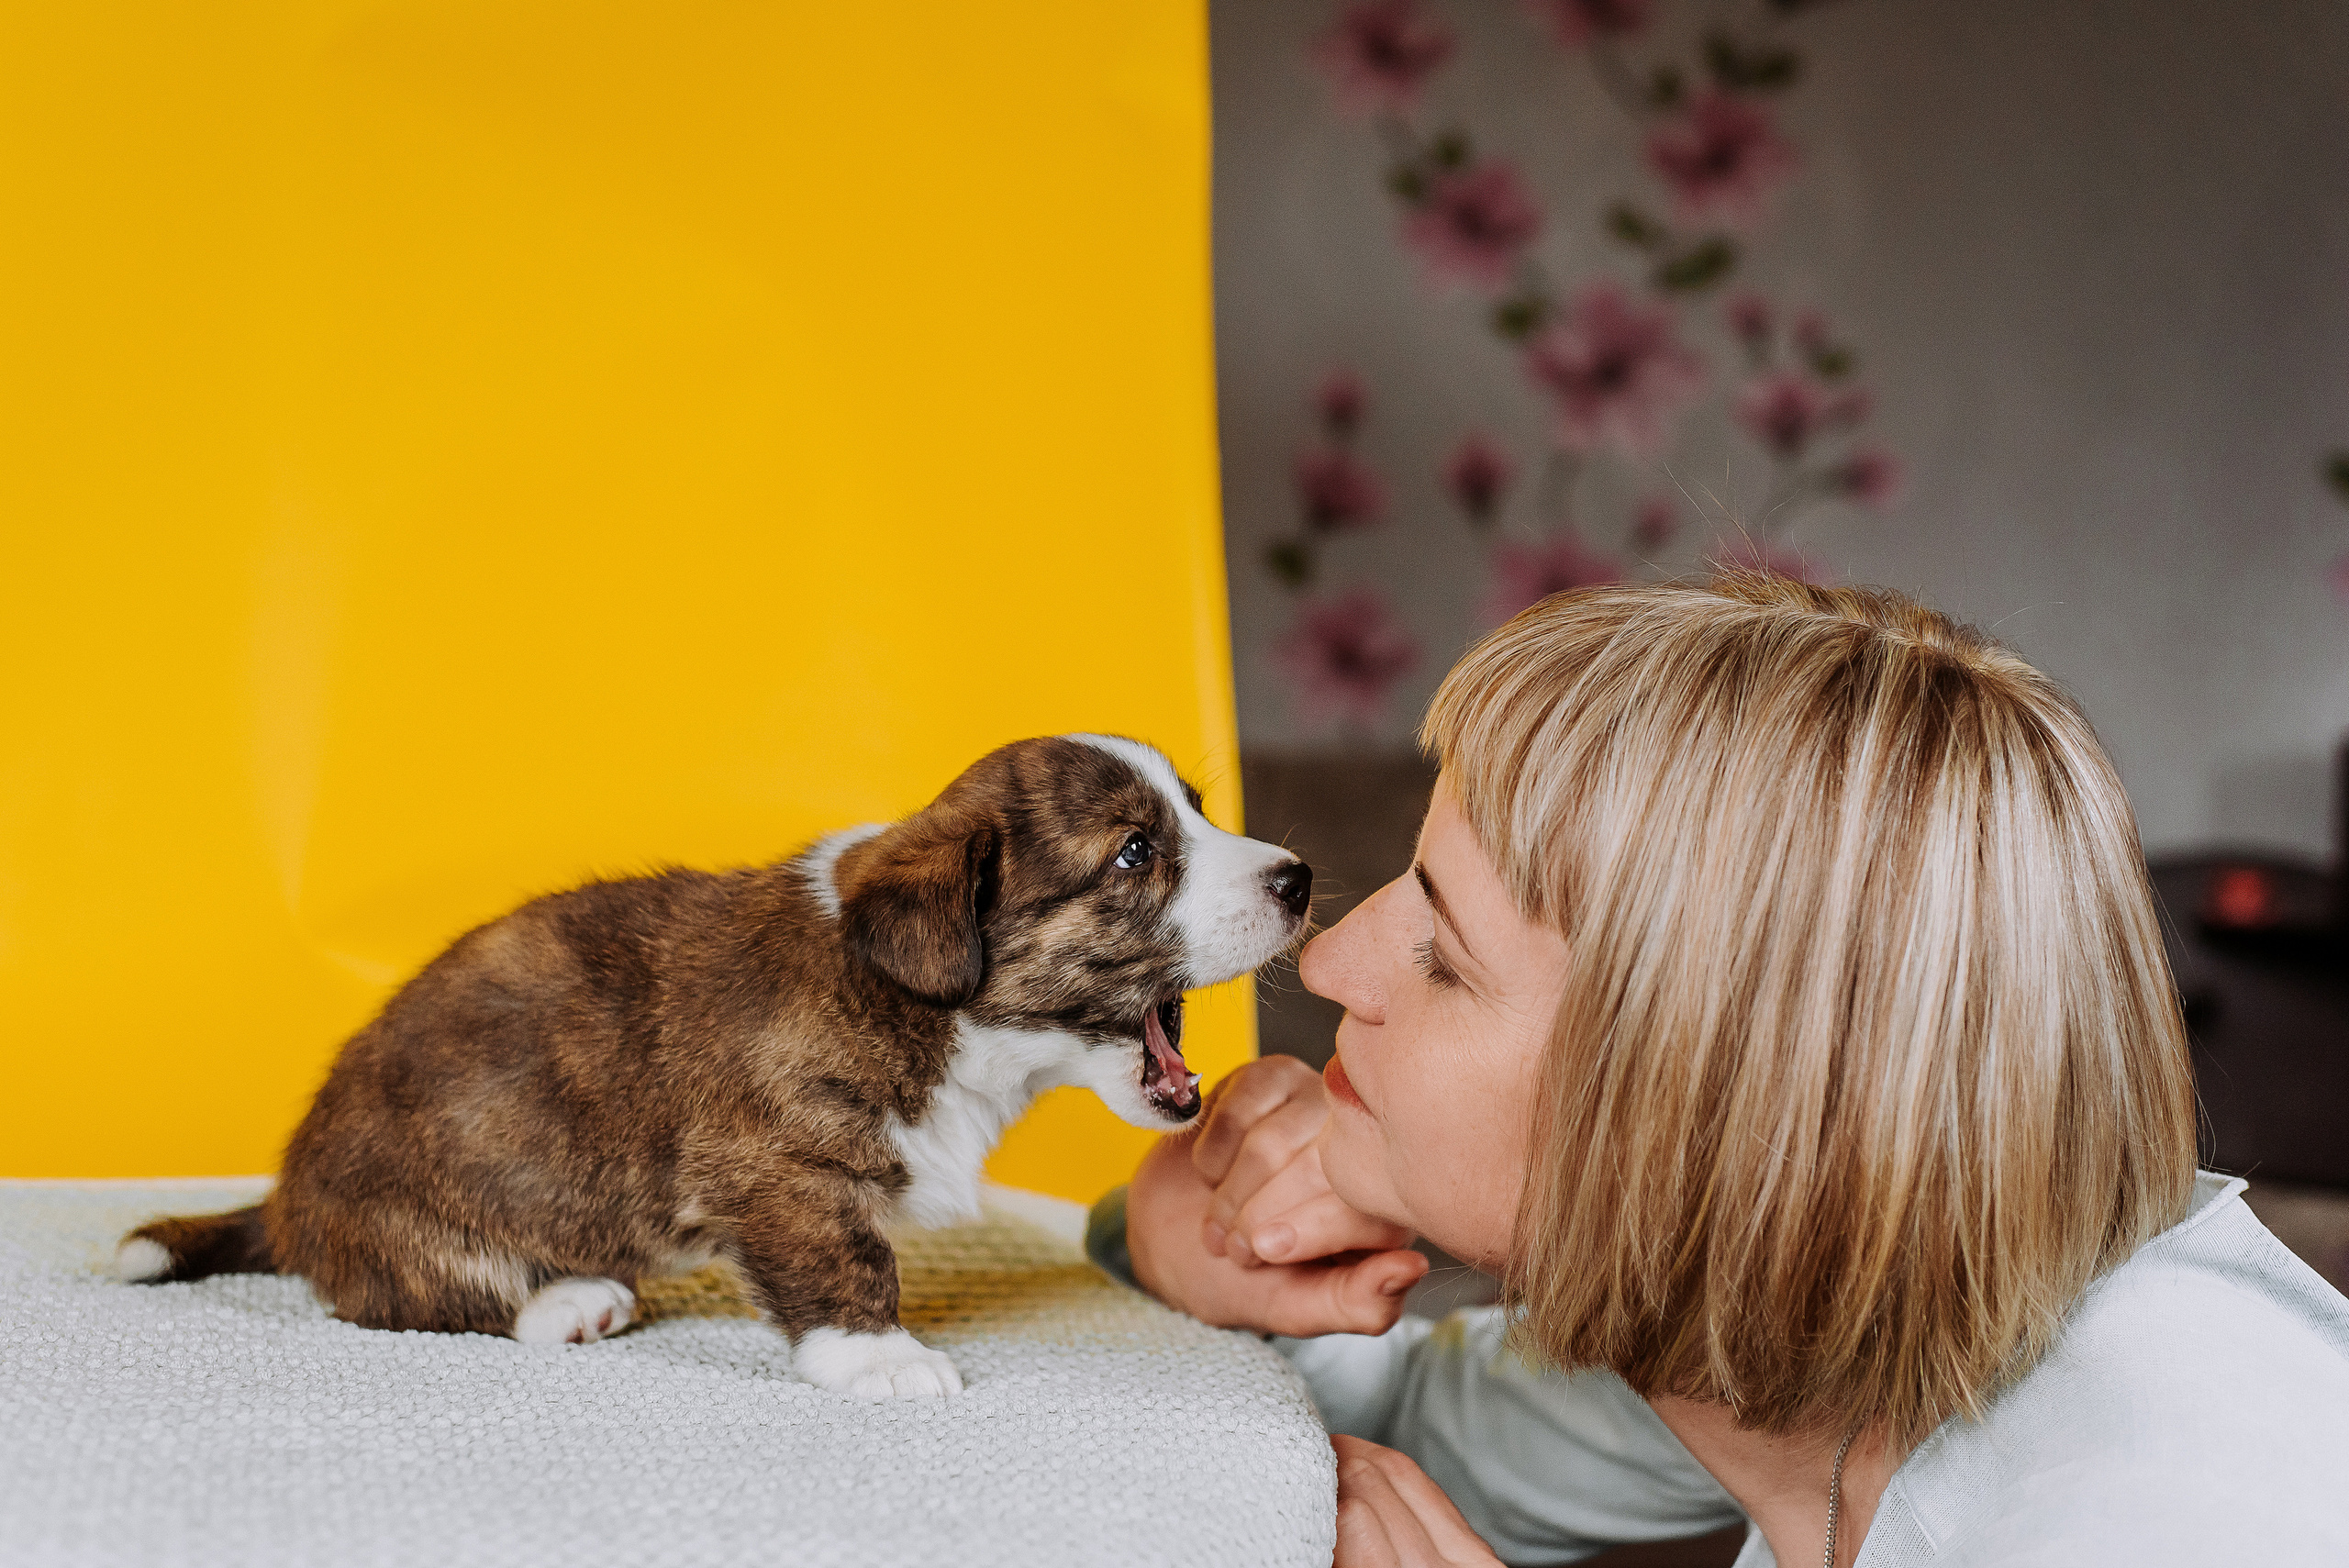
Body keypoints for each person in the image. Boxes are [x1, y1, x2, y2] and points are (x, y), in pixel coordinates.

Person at [1088, 575, 2349, 1566]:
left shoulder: (2197, 1485)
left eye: (1447, 959)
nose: (1331, 963)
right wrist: (1180, 1237)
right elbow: (1398, 1435)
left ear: (1705, 1117)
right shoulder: (1792, 1340)